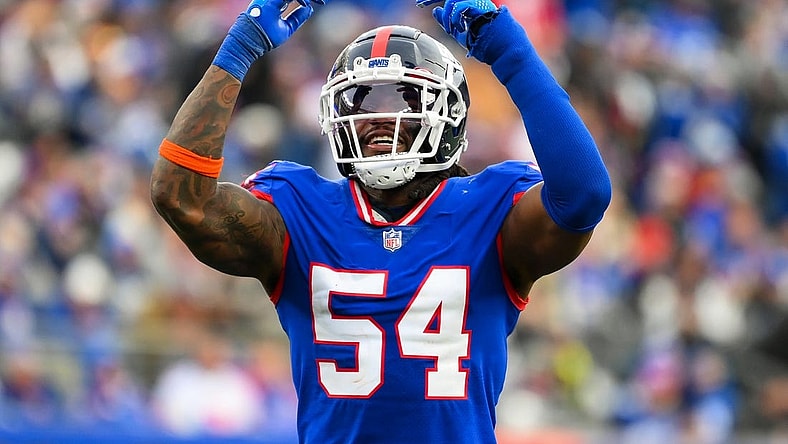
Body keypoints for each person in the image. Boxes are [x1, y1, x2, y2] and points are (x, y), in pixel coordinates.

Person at [150, 0, 612, 442]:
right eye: (361, 101)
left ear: (446, 114)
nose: (375, 118)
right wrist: (241, 46)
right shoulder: (298, 209)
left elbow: (584, 194)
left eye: (400, 98)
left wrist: (507, 47)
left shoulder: (488, 208)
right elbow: (181, 198)